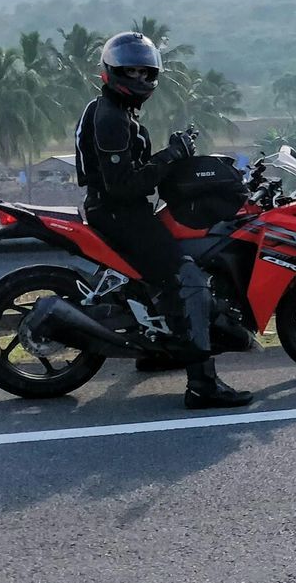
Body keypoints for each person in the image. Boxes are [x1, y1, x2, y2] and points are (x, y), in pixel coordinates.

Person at [74, 31, 251, 409]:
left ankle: (156, 351)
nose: (138, 79)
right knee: (189, 280)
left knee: (157, 276)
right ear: (112, 71)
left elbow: (134, 170)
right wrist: (170, 155)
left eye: (145, 72)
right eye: (130, 70)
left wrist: (171, 155)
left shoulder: (117, 111)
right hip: (120, 213)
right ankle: (203, 384)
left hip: (123, 210)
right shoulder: (110, 117)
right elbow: (122, 185)